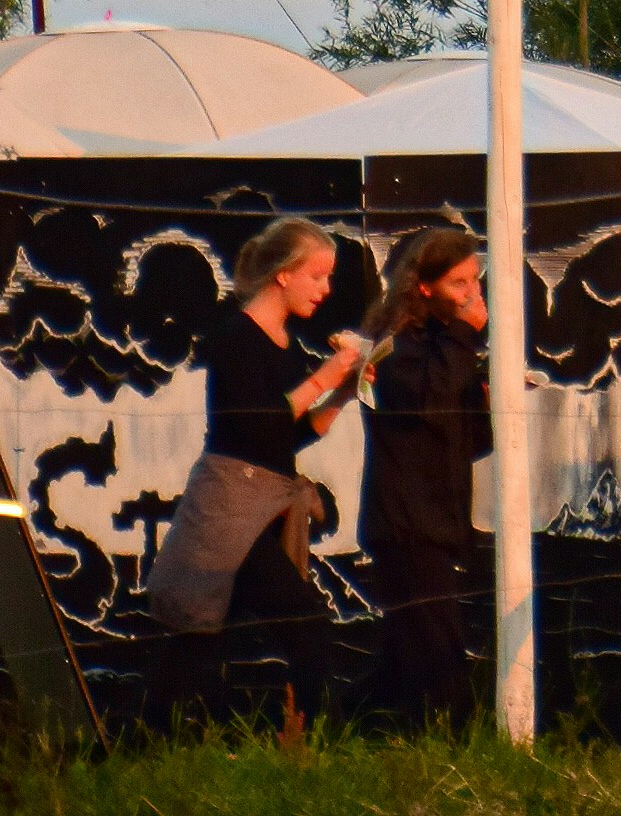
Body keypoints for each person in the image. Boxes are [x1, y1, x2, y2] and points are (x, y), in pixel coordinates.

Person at [145, 215, 372, 726]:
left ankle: (150, 741)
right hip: (229, 511)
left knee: (198, 646)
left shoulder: (285, 343)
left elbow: (291, 432)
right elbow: (256, 423)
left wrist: (347, 387)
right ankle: (305, 741)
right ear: (284, 274)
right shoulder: (237, 338)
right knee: (294, 624)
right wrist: (325, 374)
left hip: (262, 508)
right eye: (318, 276)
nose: (326, 289)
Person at [360, 224, 491, 722]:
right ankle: (456, 750)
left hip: (435, 518)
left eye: (475, 283)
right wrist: (465, 335)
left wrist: (487, 405)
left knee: (400, 664)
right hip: (407, 522)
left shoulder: (444, 344)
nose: (470, 296)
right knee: (440, 660)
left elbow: (463, 442)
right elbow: (426, 403)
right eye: (459, 284)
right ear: (424, 285)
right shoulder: (396, 343)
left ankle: (327, 730)